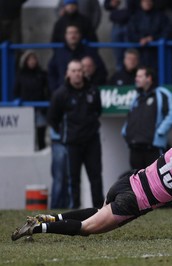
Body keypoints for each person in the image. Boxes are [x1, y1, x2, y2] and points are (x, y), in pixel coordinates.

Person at [11, 139, 172, 241]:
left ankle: (50, 218)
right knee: (85, 228)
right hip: (133, 202)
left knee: (99, 213)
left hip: (126, 182)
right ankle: (37, 228)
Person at [47, 59, 104, 209]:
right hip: (72, 143)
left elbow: (98, 111)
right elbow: (52, 118)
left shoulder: (93, 90)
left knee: (96, 177)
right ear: (67, 73)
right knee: (73, 179)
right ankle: (75, 210)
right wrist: (65, 133)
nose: (77, 74)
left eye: (79, 70)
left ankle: (99, 211)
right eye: (74, 71)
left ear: (83, 72)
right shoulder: (60, 94)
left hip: (92, 141)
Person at [122, 66, 172, 170]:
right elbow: (130, 116)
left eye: (139, 76)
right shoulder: (137, 97)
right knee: (136, 182)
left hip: (153, 148)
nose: (136, 79)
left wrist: (160, 132)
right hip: (135, 148)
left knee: (154, 181)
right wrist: (125, 132)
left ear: (149, 78)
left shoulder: (162, 93)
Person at [47, 25, 107, 93]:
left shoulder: (90, 52)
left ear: (80, 35)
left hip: (85, 94)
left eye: (75, 33)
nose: (73, 35)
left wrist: (92, 88)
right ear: (65, 36)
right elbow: (51, 72)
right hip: (64, 94)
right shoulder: (59, 53)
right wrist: (55, 90)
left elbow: (101, 72)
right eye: (70, 33)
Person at [13, 50, 49, 150]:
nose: (32, 61)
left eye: (34, 59)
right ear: (25, 61)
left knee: (41, 137)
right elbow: (16, 91)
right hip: (26, 109)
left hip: (40, 109)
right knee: (28, 138)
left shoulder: (42, 74)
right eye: (30, 59)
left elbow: (47, 90)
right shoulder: (21, 75)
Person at [127, 0, 171, 71]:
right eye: (144, 1)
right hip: (140, 53)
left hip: (157, 54)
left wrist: (153, 38)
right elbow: (130, 34)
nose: (147, 2)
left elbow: (167, 32)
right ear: (141, 2)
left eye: (149, 0)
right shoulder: (135, 17)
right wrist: (139, 39)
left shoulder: (161, 16)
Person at [104, 0, 139, 71]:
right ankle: (120, 77)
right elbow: (106, 5)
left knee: (131, 54)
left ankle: (134, 76)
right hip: (116, 24)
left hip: (130, 24)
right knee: (118, 56)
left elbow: (137, 6)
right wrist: (111, 3)